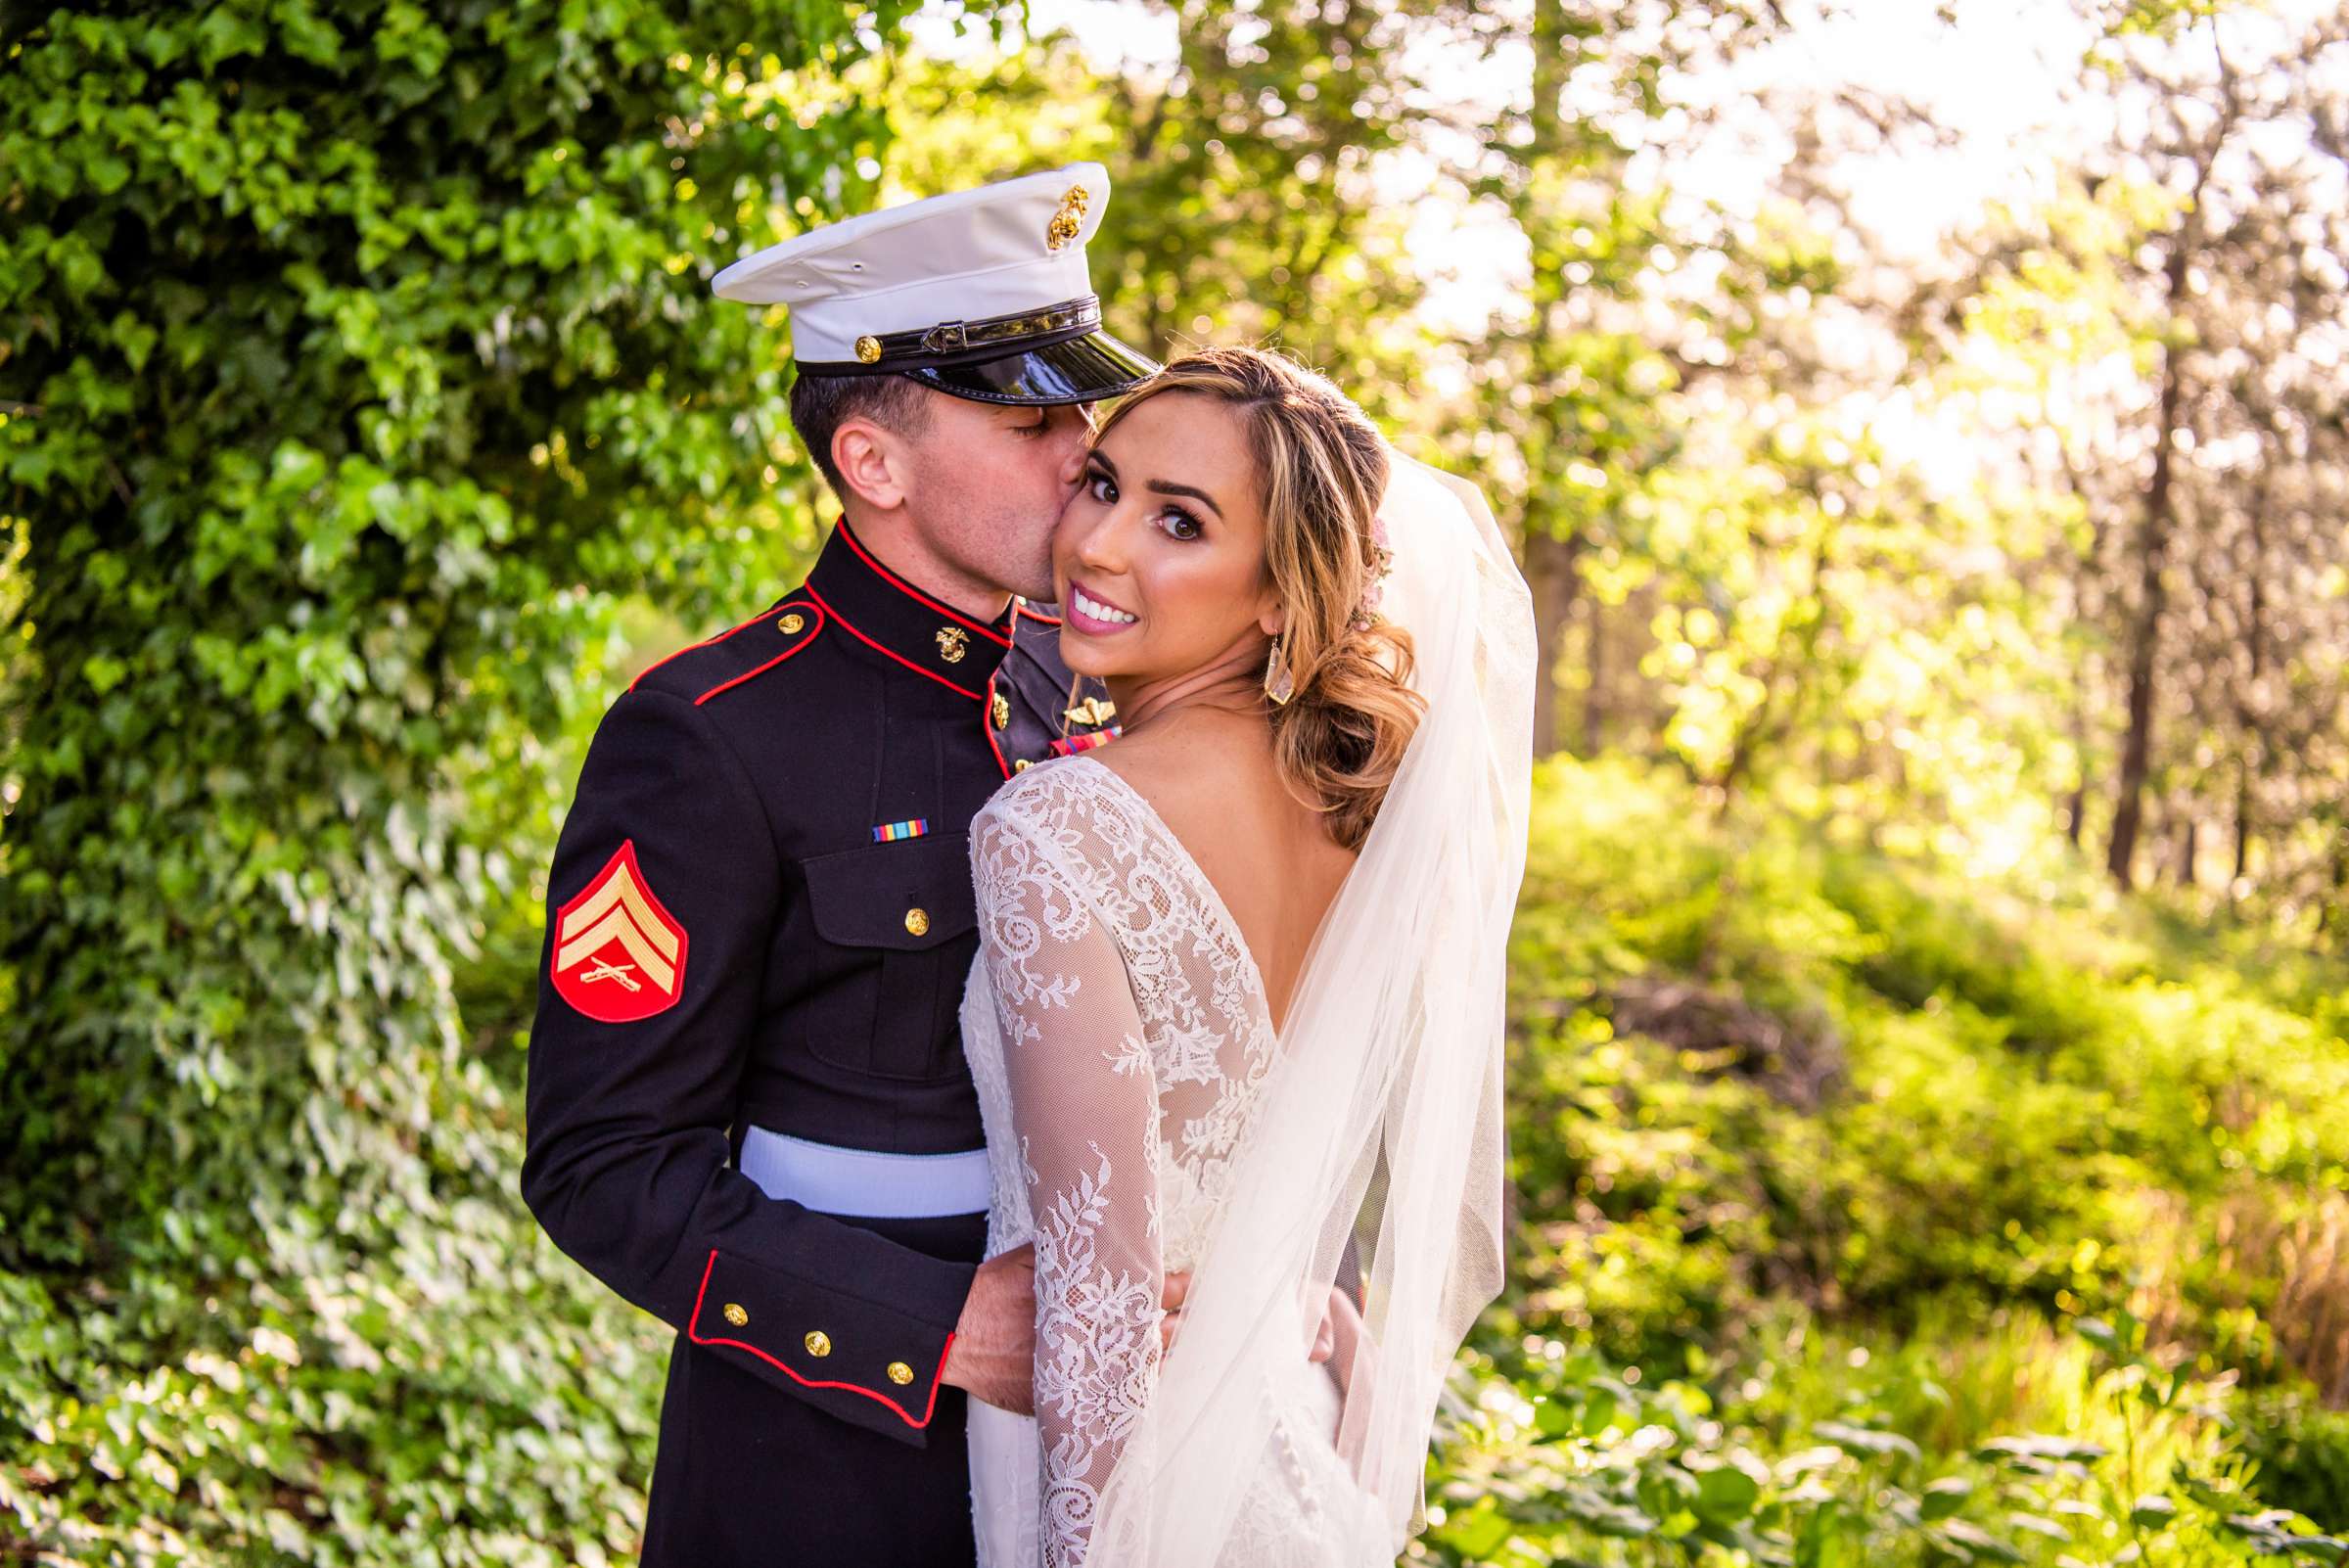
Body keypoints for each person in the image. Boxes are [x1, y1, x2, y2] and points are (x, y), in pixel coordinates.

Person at [520, 163, 1168, 1566]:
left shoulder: (1110, 680)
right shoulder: (705, 734)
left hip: (1111, 1429)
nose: (1087, 458)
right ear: (873, 461)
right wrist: (929, 1329)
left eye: (1087, 411)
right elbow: (602, 1160)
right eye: (1033, 418)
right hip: (826, 1460)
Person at [961, 346, 1536, 1566]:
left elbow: (1103, 1296)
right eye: (1104, 485)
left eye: (1181, 522)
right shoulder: (1365, 826)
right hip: (1290, 1419)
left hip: (1139, 1490)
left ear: (1280, 592)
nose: (1101, 547)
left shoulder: (1055, 831)